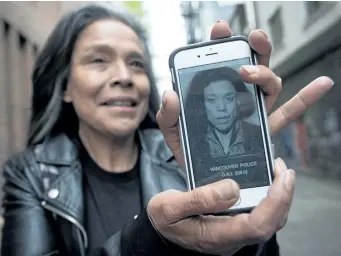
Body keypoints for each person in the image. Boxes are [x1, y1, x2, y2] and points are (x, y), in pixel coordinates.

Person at [0, 2, 334, 256]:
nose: (125, 76)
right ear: (65, 87)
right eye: (99, 60)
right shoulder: (29, 175)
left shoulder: (187, 156)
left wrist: (245, 227)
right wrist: (150, 237)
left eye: (136, 63)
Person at [185, 66, 261, 160]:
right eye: (211, 100)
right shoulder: (188, 144)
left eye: (229, 98)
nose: (222, 108)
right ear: (201, 104)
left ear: (239, 101)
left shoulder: (261, 136)